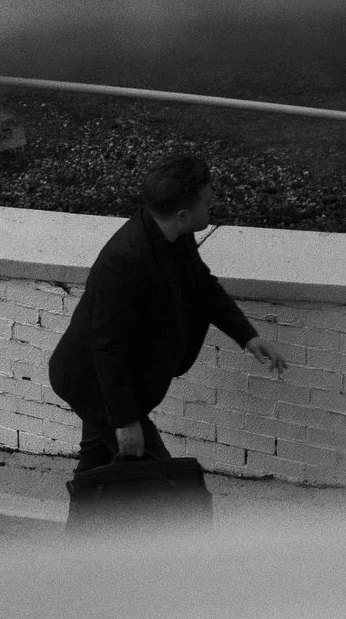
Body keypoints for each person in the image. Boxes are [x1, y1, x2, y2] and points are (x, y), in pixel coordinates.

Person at [47, 153, 287, 474]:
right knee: (165, 485)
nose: (213, 199)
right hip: (92, 383)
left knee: (94, 472)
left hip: (111, 385)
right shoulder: (126, 261)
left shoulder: (174, 234)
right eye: (207, 197)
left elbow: (202, 286)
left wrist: (247, 336)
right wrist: (126, 421)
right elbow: (107, 347)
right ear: (184, 214)